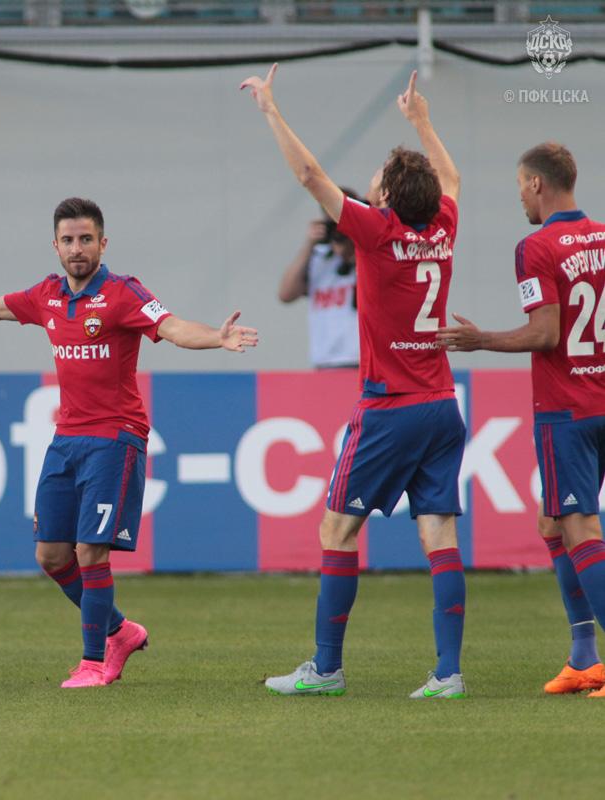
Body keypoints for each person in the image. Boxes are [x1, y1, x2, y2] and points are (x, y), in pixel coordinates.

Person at [0, 197, 257, 688]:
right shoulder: (48, 294)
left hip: (114, 437)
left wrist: (215, 337)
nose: (77, 248)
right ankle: (120, 631)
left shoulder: (124, 293)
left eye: (85, 239)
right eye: (68, 240)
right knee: (51, 556)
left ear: (103, 243)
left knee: (90, 551)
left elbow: (172, 327)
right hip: (67, 439)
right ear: (55, 246)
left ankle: (94, 662)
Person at [242, 66, 468, 698]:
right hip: (442, 405)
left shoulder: (377, 232)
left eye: (377, 179)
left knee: (336, 531)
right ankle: (449, 674)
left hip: (390, 409)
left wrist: (270, 109)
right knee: (440, 535)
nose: (369, 184)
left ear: (388, 197)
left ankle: (326, 669)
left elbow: (310, 176)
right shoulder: (443, 227)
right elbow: (451, 179)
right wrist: (422, 121)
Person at [437, 142, 605, 697]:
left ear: (537, 183)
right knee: (552, 524)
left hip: (566, 409)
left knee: (579, 528)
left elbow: (546, 332)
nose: (520, 198)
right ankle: (584, 657)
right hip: (600, 400)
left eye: (519, 187)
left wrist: (479, 339)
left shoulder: (537, 246)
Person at [278, 191, 360, 369]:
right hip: (325, 360)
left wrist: (355, 246)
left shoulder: (369, 253)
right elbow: (286, 294)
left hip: (361, 360)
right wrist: (309, 244)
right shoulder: (318, 256)